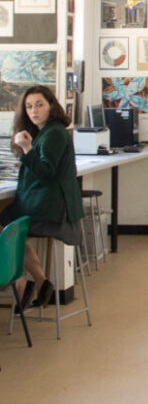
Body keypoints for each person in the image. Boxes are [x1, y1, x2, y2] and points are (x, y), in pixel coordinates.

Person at [0, 85, 84, 311]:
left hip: (51, 212)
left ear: (51, 106)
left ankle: (22, 282)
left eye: (39, 105)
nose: (33, 111)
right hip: (46, 206)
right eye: (29, 107)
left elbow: (46, 172)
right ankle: (38, 281)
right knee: (14, 232)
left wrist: (27, 148)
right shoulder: (47, 132)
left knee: (8, 229)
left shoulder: (54, 133)